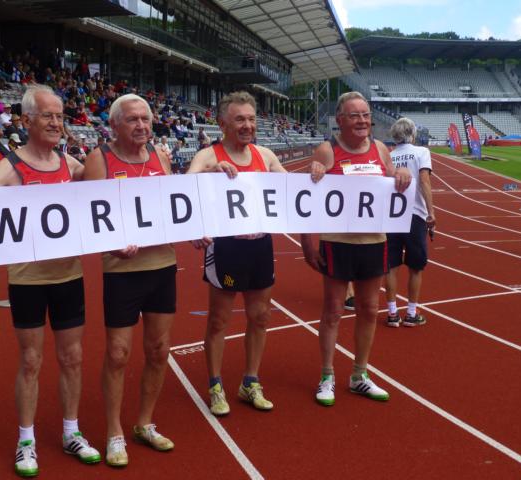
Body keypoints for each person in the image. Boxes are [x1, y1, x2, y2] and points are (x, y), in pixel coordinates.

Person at [0, 85, 100, 477]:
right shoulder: (8, 169)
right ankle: (26, 440)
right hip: (27, 280)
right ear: (26, 121)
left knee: (72, 357)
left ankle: (71, 431)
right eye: (47, 116)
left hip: (68, 275)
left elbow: (113, 190)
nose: (56, 123)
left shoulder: (71, 165)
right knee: (31, 360)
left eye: (60, 116)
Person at [301, 91, 411, 407]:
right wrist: (307, 243)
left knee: (369, 309)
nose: (362, 121)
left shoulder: (380, 149)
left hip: (374, 242)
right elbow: (307, 197)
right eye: (354, 115)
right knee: (333, 311)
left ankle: (359, 374)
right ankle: (327, 375)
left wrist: (401, 174)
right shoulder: (328, 150)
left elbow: (393, 180)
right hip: (338, 242)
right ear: (340, 120)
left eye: (365, 115)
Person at [84, 94, 176, 467]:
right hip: (121, 270)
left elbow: (175, 206)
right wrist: (110, 245)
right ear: (115, 125)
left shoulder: (161, 156)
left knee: (158, 350)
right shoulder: (99, 160)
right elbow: (88, 216)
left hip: (163, 265)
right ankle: (114, 432)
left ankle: (144, 423)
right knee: (118, 354)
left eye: (145, 119)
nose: (141, 126)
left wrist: (196, 231)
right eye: (133, 120)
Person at [187, 91, 287, 416]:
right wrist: (210, 174)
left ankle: (250, 381)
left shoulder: (265, 155)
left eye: (251, 119)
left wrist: (315, 173)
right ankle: (215, 385)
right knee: (219, 319)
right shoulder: (208, 155)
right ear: (222, 124)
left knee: (260, 316)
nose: (247, 125)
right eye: (239, 119)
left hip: (259, 246)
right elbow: (185, 186)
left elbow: (296, 189)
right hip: (226, 248)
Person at [384, 118, 435, 327]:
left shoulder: (388, 156)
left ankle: (392, 313)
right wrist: (431, 212)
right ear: (412, 134)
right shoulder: (421, 152)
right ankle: (411, 313)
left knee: (391, 266)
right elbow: (424, 180)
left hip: (391, 215)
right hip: (415, 214)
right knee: (416, 267)